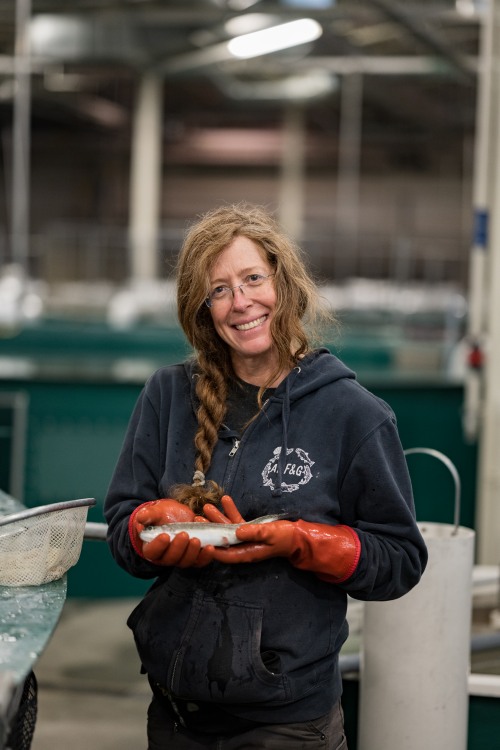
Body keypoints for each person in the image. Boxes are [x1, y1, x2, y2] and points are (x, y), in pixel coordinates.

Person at [104, 203, 428, 749]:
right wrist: (148, 529)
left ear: (285, 283)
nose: (241, 302)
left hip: (288, 725)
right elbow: (120, 531)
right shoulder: (167, 396)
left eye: (253, 278)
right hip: (175, 716)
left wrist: (304, 543)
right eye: (220, 290)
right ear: (202, 309)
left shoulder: (356, 415)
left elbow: (399, 559)